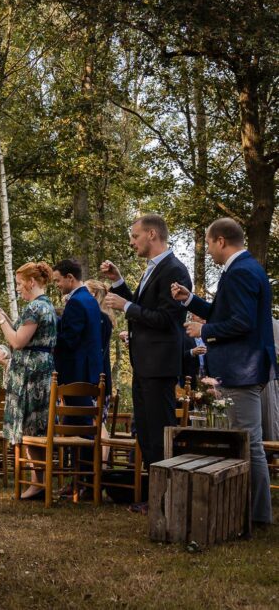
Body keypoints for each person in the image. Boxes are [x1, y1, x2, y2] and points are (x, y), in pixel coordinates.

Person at [171, 218, 276, 526]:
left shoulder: (241, 271)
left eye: (207, 243)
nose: (207, 250)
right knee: (247, 440)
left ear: (220, 240)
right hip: (245, 366)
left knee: (249, 442)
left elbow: (242, 322)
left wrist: (206, 330)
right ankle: (252, 510)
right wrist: (190, 300)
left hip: (242, 368)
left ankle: (257, 514)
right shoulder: (246, 268)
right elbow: (225, 313)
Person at [102, 213, 191, 512]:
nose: (132, 241)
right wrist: (119, 283)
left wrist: (126, 306)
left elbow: (168, 319)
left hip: (160, 365)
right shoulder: (153, 269)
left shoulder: (174, 270)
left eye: (135, 235)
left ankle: (167, 499)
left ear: (152, 234)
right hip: (145, 364)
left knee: (160, 432)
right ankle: (155, 497)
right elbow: (143, 307)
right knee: (146, 433)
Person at [0, 262, 57, 500]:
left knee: (30, 426)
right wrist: (9, 319)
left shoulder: (34, 308)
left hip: (31, 372)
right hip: (41, 368)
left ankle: (37, 482)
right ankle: (37, 481)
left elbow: (18, 342)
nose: (19, 288)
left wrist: (0, 321)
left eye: (20, 283)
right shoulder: (47, 306)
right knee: (36, 426)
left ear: (31, 282)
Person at [50, 259, 103, 497]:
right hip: (87, 370)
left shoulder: (77, 302)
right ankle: (81, 482)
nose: (58, 285)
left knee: (79, 429)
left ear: (70, 278)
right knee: (80, 428)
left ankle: (84, 483)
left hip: (75, 373)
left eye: (58, 280)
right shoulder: (89, 300)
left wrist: (49, 336)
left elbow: (69, 339)